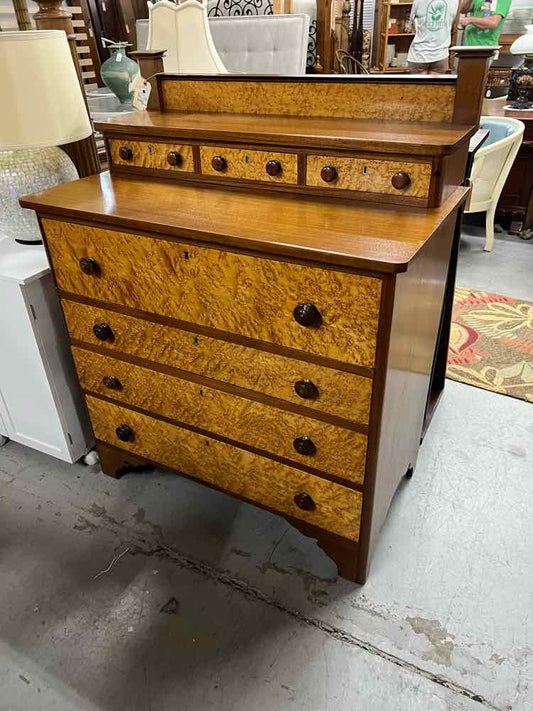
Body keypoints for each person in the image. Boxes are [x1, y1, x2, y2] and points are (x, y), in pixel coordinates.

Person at [407, 0, 460, 74]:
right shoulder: (455, 1)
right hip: (441, 54)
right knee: (437, 85)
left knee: (419, 85)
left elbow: (411, 26)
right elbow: (453, 22)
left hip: (419, 53)